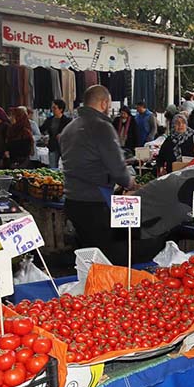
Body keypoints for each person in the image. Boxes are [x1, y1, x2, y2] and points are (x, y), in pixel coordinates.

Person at [61, 85, 135, 263]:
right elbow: (118, 170)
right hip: (95, 203)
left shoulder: (69, 128)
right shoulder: (102, 127)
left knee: (85, 257)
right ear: (104, 103)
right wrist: (130, 181)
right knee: (105, 259)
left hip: (72, 200)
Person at [41, 99, 72, 169]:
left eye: (55, 108)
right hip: (53, 145)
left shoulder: (67, 120)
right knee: (53, 167)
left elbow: (71, 132)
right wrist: (44, 137)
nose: (53, 110)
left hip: (64, 147)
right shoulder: (49, 120)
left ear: (61, 109)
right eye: (52, 108)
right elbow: (42, 129)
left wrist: (62, 135)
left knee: (67, 166)